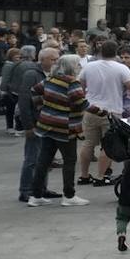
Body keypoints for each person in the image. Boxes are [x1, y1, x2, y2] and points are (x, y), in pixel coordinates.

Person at [77, 40, 130, 187]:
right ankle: (101, 176)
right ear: (116, 53)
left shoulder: (89, 66)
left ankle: (84, 175)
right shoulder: (121, 68)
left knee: (88, 143)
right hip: (111, 111)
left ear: (100, 51)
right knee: (108, 145)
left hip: (90, 109)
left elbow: (80, 86)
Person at [31, 53, 90, 207]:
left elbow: (34, 91)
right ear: (71, 67)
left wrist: (41, 108)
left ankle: (35, 195)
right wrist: (102, 112)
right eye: (77, 64)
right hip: (65, 128)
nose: (80, 67)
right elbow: (81, 103)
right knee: (70, 160)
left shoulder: (50, 79)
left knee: (43, 160)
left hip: (46, 125)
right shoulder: (72, 82)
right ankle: (69, 196)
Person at [16, 47, 60, 203]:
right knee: (32, 158)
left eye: (57, 59)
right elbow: (24, 100)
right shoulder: (31, 74)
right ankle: (26, 190)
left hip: (50, 122)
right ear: (43, 60)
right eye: (53, 59)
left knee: (45, 159)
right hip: (36, 122)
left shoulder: (54, 74)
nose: (56, 62)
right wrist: (28, 125)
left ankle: (41, 188)